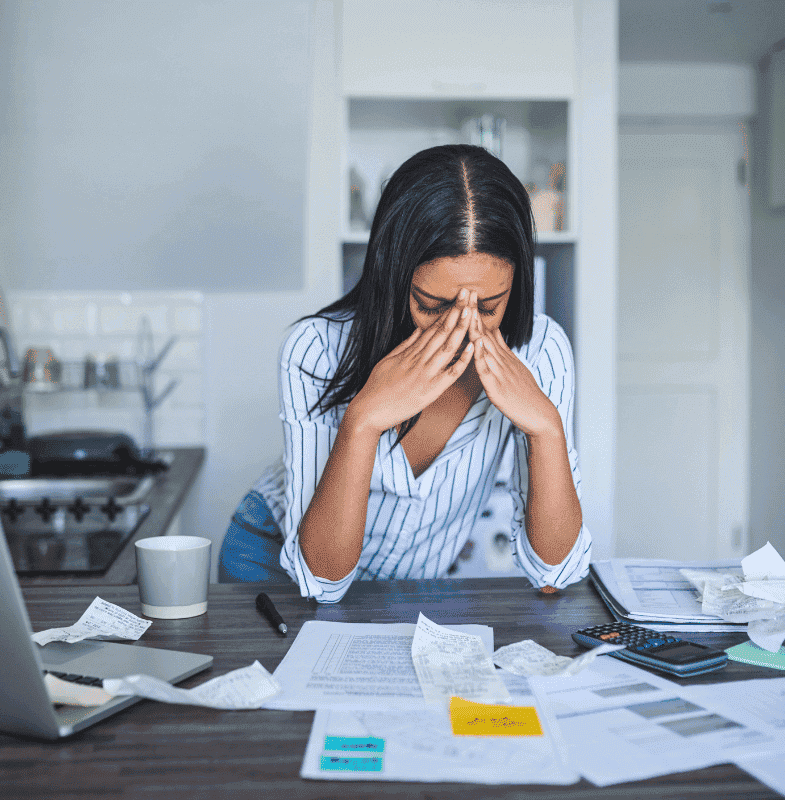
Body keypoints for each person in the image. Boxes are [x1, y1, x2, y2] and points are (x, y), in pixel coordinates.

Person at [218, 144, 591, 602]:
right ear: (392, 275)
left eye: (489, 307)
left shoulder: (543, 350)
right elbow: (320, 581)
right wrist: (364, 421)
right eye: (432, 306)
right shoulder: (315, 349)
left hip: (407, 585)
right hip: (272, 558)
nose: (461, 326)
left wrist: (548, 429)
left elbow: (555, 571)